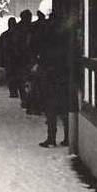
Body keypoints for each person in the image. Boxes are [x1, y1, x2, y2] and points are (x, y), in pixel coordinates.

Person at [36, 15, 70, 147]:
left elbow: (43, 59)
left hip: (50, 78)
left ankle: (51, 138)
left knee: (51, 110)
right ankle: (67, 137)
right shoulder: (66, 41)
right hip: (63, 79)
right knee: (64, 110)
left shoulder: (47, 42)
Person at [0, 17, 20, 98]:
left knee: (10, 75)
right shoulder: (18, 35)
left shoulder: (5, 35)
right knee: (15, 75)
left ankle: (13, 91)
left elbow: (1, 47)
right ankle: (14, 91)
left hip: (9, 58)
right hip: (15, 58)